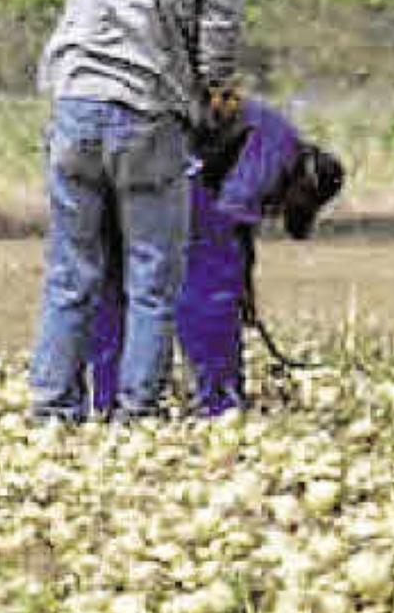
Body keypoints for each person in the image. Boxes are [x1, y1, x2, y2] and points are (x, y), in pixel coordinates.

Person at [29, 0, 259, 421]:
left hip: (74, 101)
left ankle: (53, 406)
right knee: (153, 276)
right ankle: (137, 410)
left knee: (71, 271)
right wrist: (222, 105)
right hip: (145, 115)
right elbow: (215, 65)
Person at [90, 100, 345, 417]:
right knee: (211, 286)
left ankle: (104, 398)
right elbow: (230, 223)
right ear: (305, 184)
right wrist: (239, 288)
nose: (277, 213)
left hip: (113, 144)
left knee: (115, 280)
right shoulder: (278, 144)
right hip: (172, 163)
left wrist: (247, 289)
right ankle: (219, 400)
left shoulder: (271, 137)